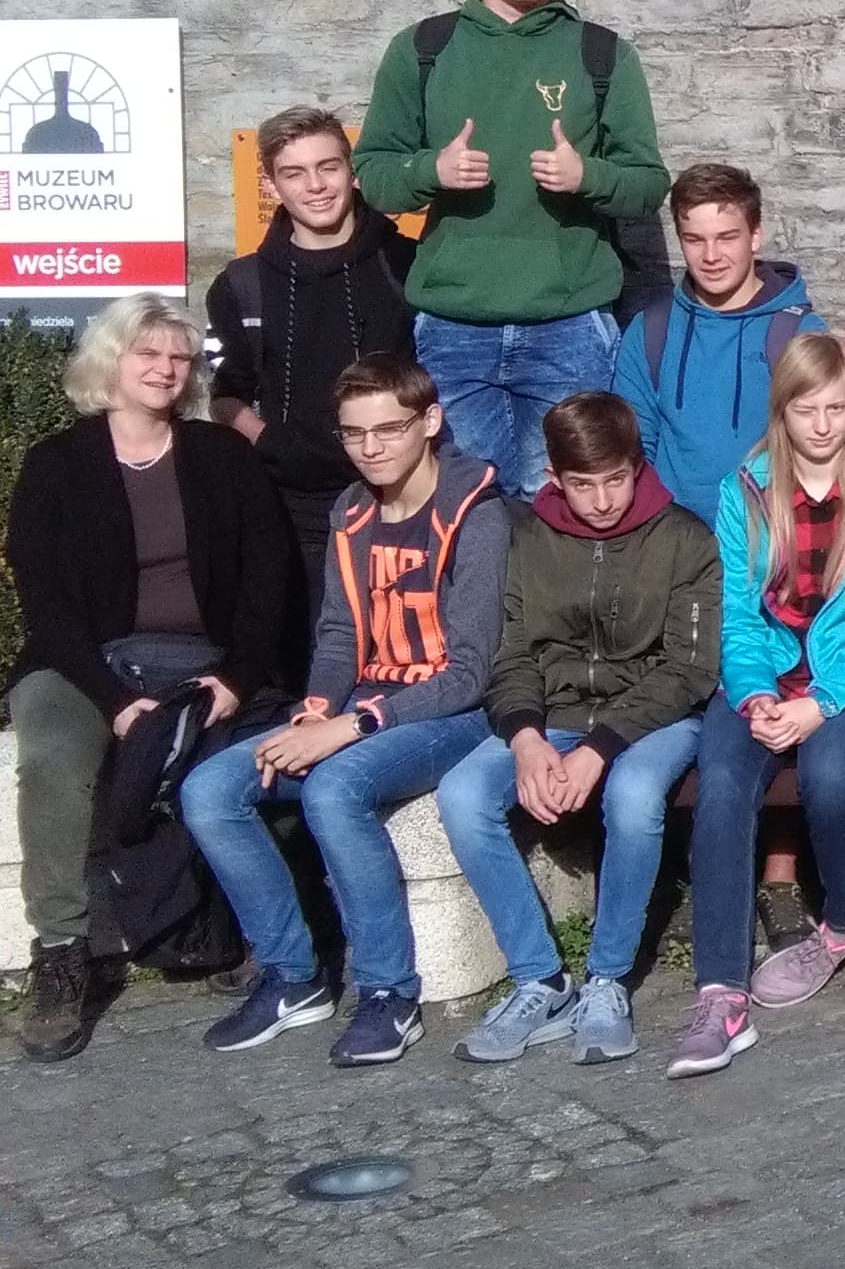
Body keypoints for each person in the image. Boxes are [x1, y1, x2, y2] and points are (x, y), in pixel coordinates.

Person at [183, 355, 509, 1067]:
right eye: (354, 433)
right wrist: (315, 710)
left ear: (429, 422)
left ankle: (389, 992)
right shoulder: (351, 511)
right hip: (360, 705)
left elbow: (470, 674)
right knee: (209, 790)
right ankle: (293, 977)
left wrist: (351, 726)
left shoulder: (475, 510)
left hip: (448, 714)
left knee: (334, 789)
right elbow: (338, 634)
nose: (371, 448)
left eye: (389, 429)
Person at [6, 296, 294, 1061]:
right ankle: (61, 953)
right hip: (82, 667)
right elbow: (45, 600)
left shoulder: (221, 455)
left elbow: (267, 575)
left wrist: (237, 677)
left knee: (252, 757)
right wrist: (114, 701)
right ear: (112, 360)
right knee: (52, 762)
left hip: (204, 663)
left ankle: (245, 926)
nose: (166, 369)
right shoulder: (57, 463)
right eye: (149, 354)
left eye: (179, 357)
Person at [352, 0, 670, 498]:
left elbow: (648, 183)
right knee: (464, 503)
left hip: (569, 323)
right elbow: (375, 176)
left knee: (561, 502)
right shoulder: (424, 49)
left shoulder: (601, 54)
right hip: (453, 325)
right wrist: (432, 171)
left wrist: (587, 175)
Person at [433, 392, 719, 1067]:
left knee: (634, 795)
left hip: (655, 718)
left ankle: (607, 978)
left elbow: (688, 669)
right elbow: (509, 652)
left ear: (637, 466)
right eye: (582, 484)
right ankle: (540, 977)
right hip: (552, 715)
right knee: (463, 794)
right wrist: (525, 737)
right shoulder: (526, 537)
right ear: (554, 478)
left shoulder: (685, 539)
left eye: (615, 479)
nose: (602, 500)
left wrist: (600, 746)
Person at [667, 332, 845, 1078]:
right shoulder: (746, 487)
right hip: (769, 675)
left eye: (837, 408)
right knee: (722, 784)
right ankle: (720, 992)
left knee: (831, 776)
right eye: (806, 410)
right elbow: (738, 613)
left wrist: (824, 701)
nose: (823, 425)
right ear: (782, 411)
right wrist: (755, 693)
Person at [208, 106, 418, 597]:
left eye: (328, 167)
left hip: (400, 502)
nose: (316, 186)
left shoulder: (408, 264)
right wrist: (269, 440)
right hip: (290, 511)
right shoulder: (241, 284)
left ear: (351, 170)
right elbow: (226, 392)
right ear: (271, 184)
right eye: (294, 173)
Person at [612, 161, 824, 521]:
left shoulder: (797, 334)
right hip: (676, 538)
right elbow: (633, 447)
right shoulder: (651, 331)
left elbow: (822, 449)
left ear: (755, 236)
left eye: (726, 238)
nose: (711, 257)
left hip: (769, 535)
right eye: (695, 240)